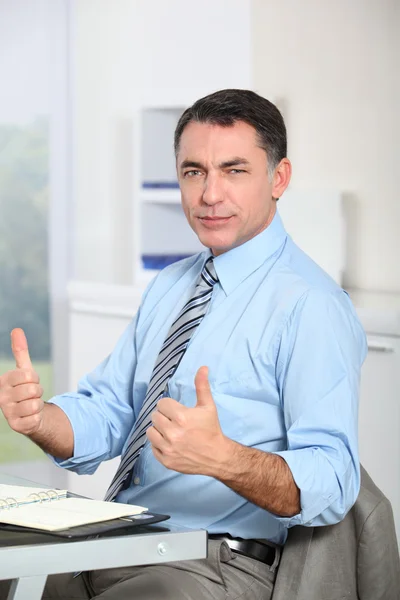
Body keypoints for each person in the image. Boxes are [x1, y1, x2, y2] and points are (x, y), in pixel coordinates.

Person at [0, 89, 367, 600]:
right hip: (117, 542)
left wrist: (223, 458)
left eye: (234, 170)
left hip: (212, 565)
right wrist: (42, 421)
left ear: (278, 178)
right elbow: (110, 412)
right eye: (193, 172)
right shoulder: (172, 286)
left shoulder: (313, 306)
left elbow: (335, 477)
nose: (210, 194)